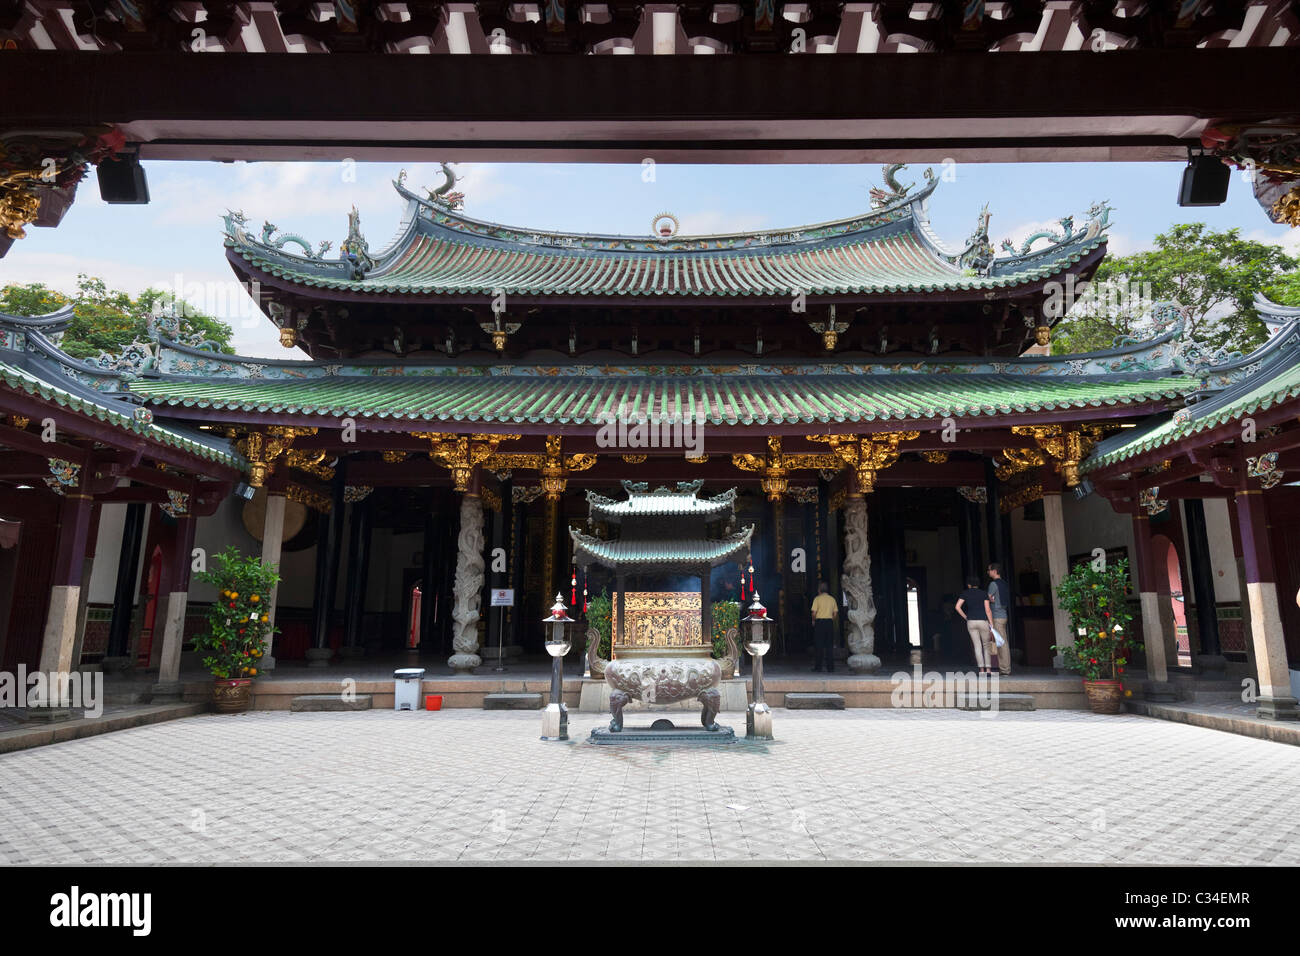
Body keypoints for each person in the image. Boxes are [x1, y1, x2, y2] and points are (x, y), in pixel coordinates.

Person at [955, 576, 994, 675]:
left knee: (977, 646)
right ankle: (988, 670)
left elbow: (957, 607)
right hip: (983, 621)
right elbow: (988, 610)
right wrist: (991, 624)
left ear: (969, 585)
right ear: (978, 584)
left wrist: (966, 617)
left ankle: (981, 670)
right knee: (986, 645)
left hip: (971, 621)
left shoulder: (965, 593)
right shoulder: (983, 593)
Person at [987, 562, 1011, 676]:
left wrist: (991, 599)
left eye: (989, 570)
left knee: (1002, 643)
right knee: (1002, 642)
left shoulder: (993, 584)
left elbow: (988, 598)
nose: (988, 572)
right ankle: (1004, 668)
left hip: (997, 616)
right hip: (1003, 614)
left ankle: (1005, 669)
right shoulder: (1004, 584)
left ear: (995, 571)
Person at [810, 581, 839, 673]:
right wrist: (830, 619)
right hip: (829, 623)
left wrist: (814, 620)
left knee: (819, 646)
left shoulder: (817, 599)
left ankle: (818, 667)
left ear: (819, 590)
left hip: (819, 623)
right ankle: (830, 668)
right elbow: (835, 613)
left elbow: (814, 613)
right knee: (829, 646)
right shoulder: (832, 599)